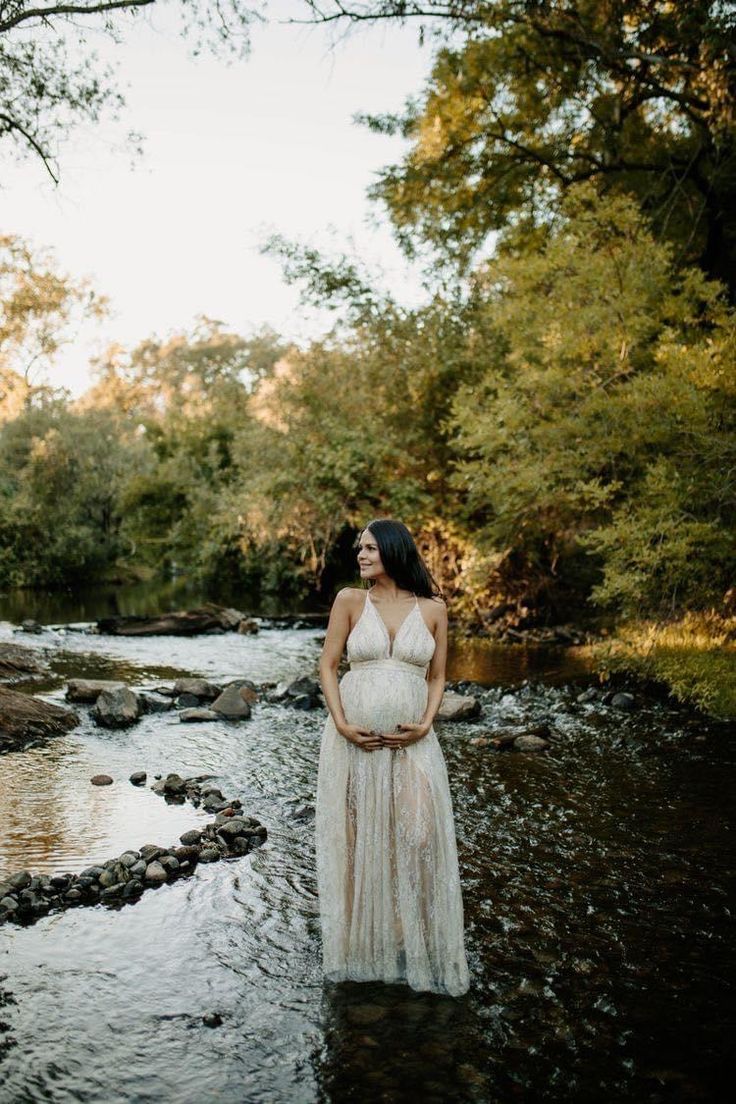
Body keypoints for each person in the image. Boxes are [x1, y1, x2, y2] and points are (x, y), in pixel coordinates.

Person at [315, 518, 470, 997]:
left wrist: (427, 722)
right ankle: (366, 942)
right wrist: (342, 724)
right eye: (359, 549)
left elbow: (438, 676)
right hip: (353, 740)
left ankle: (408, 931)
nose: (360, 556)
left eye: (369, 549)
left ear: (394, 551)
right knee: (361, 838)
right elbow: (327, 665)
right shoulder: (349, 601)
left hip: (413, 743)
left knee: (418, 831)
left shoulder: (434, 609)